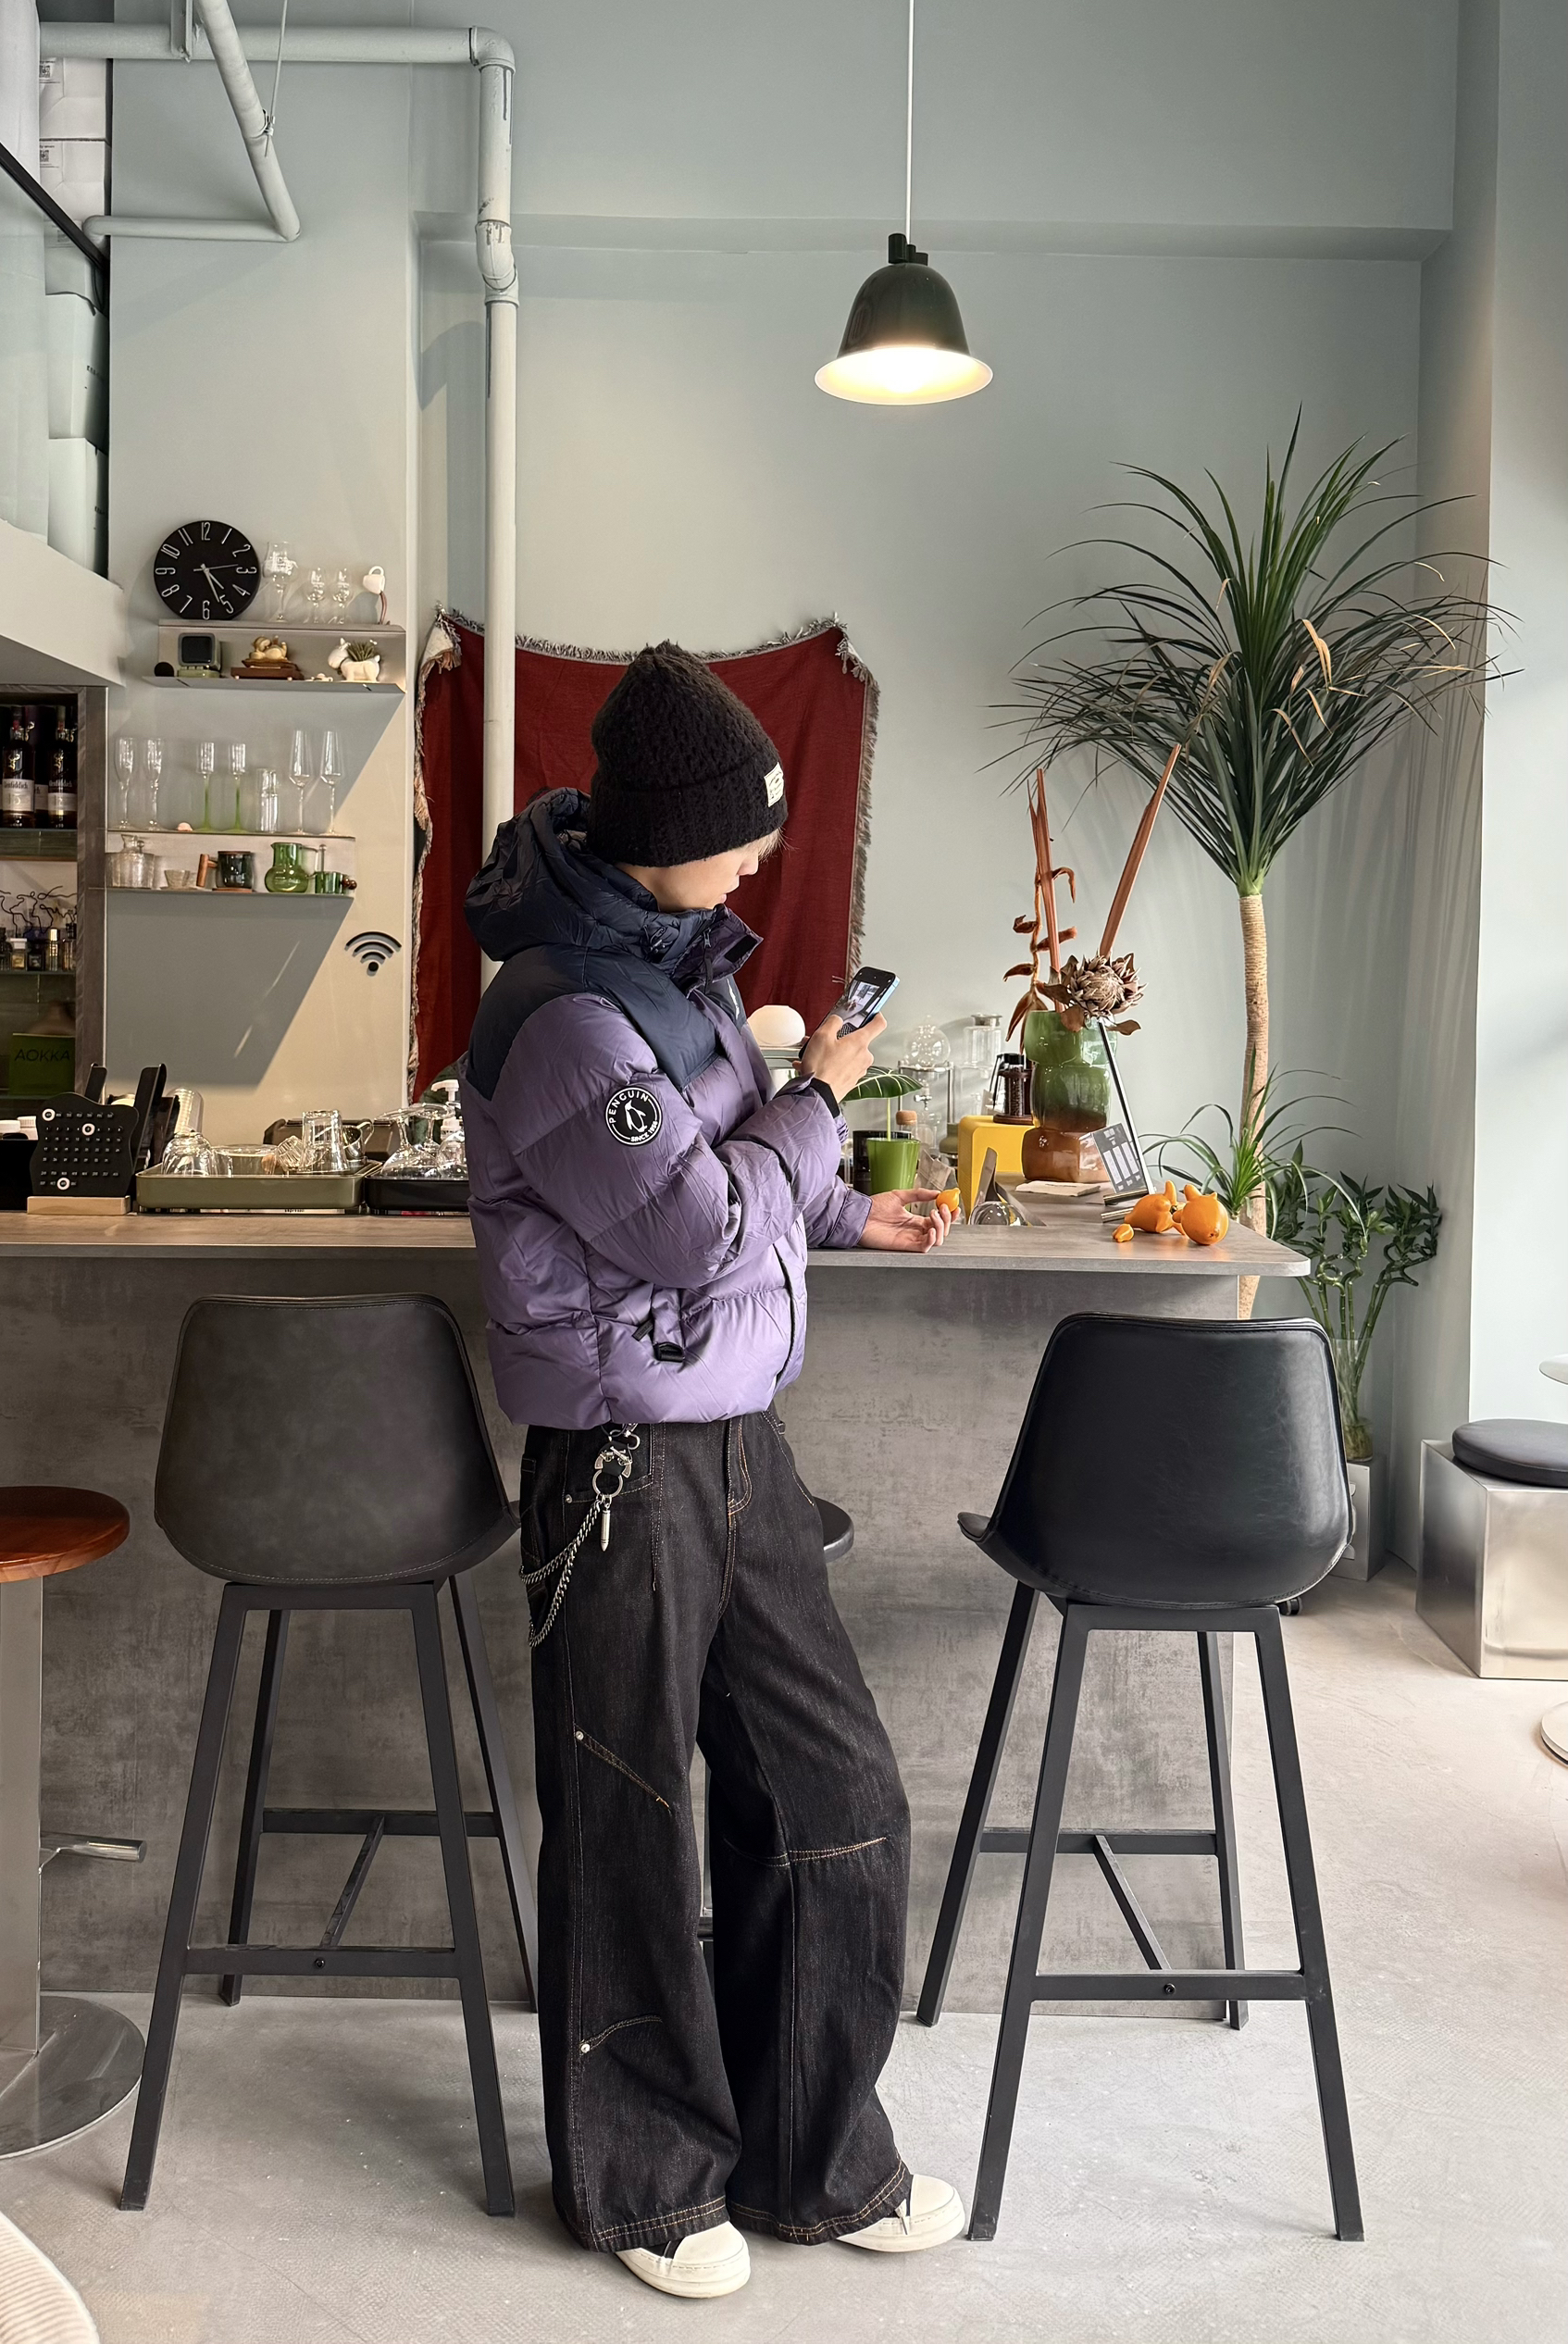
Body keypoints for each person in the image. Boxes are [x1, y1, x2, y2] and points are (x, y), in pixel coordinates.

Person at [462, 643, 961, 2300]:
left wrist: (850, 1206)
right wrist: (821, 1097)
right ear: (666, 832)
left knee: (833, 1794)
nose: (760, 857)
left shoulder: (672, 974)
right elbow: (691, 1230)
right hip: (621, 1458)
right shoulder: (561, 1016)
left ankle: (812, 2158)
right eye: (744, 830)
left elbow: (735, 1171)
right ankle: (646, 2187)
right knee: (628, 1820)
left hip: (740, 1440)